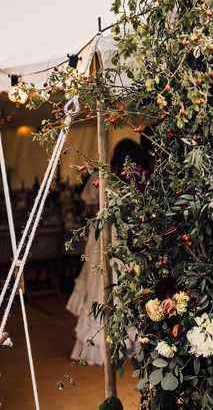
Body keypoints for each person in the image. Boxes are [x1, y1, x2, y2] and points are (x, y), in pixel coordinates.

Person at [66, 138, 149, 364]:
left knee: (100, 284)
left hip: (104, 232)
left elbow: (92, 211)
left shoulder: (102, 177)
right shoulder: (139, 177)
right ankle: (129, 343)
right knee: (126, 283)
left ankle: (101, 343)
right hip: (129, 235)